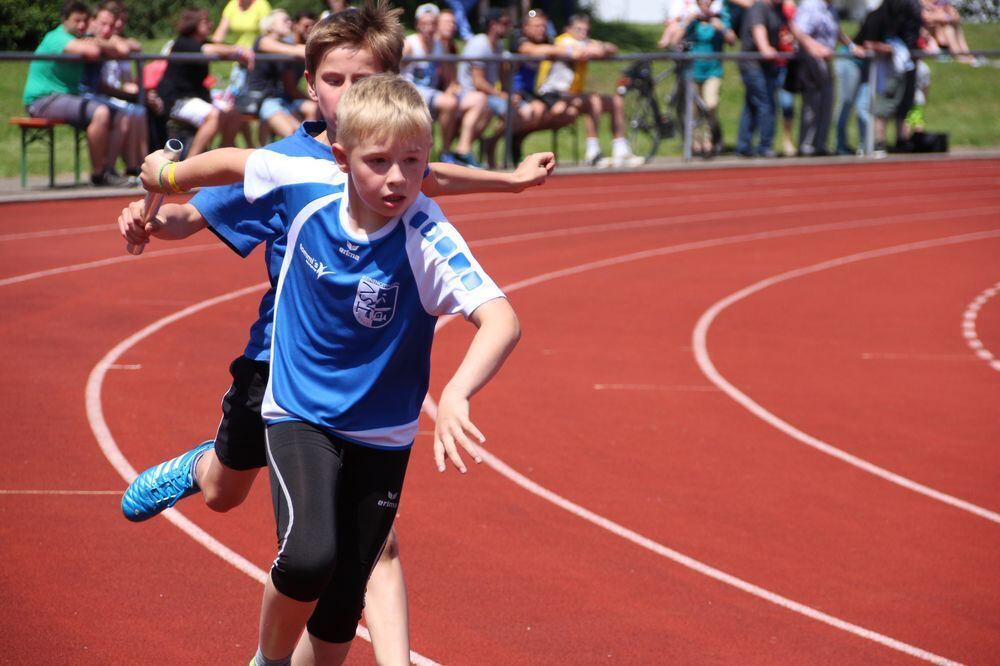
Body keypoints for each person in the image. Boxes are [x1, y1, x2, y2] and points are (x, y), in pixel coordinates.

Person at [118, 4, 553, 662]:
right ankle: (199, 470)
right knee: (226, 492)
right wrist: (162, 192)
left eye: (365, 79)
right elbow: (217, 185)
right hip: (280, 362)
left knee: (360, 557)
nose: (349, 94)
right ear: (312, 84)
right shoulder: (297, 166)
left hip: (371, 396)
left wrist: (508, 183)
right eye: (335, 80)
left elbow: (438, 181)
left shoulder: (405, 184)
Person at [22, 0, 135, 186]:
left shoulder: (82, 37)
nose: (81, 25)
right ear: (64, 20)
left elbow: (122, 48)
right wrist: (97, 42)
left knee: (121, 116)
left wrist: (98, 41)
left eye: (84, 21)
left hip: (67, 97)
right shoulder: (57, 37)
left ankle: (109, 170)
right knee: (100, 112)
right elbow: (91, 51)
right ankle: (98, 175)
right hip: (42, 100)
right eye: (77, 21)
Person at [538, 13, 646, 166]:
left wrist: (600, 47)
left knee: (615, 101)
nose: (583, 33)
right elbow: (586, 51)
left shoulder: (584, 41)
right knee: (593, 100)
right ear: (568, 29)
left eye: (586, 31)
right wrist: (596, 48)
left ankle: (620, 148)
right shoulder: (563, 41)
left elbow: (612, 48)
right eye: (579, 30)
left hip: (574, 94)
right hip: (554, 94)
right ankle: (593, 151)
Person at [155, 8, 254, 157]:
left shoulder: (203, 42)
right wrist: (238, 50)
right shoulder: (183, 43)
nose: (210, 24)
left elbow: (221, 45)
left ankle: (222, 157)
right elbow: (208, 49)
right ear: (193, 23)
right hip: (177, 100)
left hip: (196, 98)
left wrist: (240, 50)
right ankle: (189, 165)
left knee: (234, 113)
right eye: (205, 21)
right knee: (213, 115)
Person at [403, 3, 487, 167]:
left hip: (431, 93)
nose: (428, 28)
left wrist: (451, 90)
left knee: (477, 101)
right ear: (418, 24)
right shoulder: (409, 44)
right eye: (424, 23)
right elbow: (392, 70)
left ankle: (455, 151)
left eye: (432, 23)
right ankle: (443, 154)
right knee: (448, 103)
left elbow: (450, 80)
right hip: (409, 93)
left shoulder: (439, 47)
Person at [457, 9, 536, 167]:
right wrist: (502, 95)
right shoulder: (479, 44)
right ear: (493, 25)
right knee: (509, 109)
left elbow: (503, 78)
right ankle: (464, 152)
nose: (510, 27)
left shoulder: (499, 45)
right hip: (472, 93)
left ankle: (491, 142)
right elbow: (478, 82)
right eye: (506, 23)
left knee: (528, 112)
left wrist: (511, 94)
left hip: (489, 95)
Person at [80, 2, 146, 183]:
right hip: (82, 96)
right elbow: (98, 46)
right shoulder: (83, 38)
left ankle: (129, 168)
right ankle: (104, 171)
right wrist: (111, 42)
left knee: (132, 114)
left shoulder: (105, 40)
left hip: (95, 96)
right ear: (91, 21)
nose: (107, 29)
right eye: (103, 24)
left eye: (111, 25)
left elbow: (130, 46)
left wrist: (111, 41)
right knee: (119, 114)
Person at [791, 0, 864, 156]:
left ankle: (820, 144)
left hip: (826, 59)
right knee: (813, 103)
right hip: (810, 60)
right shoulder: (810, 5)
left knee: (827, 101)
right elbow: (797, 30)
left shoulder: (830, 8)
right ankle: (807, 145)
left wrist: (851, 46)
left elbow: (836, 30)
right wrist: (813, 47)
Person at [509, 8, 580, 163]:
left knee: (567, 111)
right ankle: (507, 140)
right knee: (537, 110)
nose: (541, 30)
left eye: (543, 26)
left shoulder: (545, 40)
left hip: (530, 91)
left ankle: (516, 140)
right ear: (525, 28)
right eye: (537, 26)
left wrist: (569, 50)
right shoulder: (518, 39)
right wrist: (566, 51)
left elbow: (562, 48)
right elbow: (532, 50)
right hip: (512, 90)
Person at [675, 1, 736, 156]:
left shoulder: (720, 18)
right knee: (693, 110)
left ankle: (710, 138)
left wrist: (721, 27)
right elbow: (675, 41)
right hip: (692, 72)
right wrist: (686, 22)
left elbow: (732, 40)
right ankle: (696, 142)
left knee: (711, 104)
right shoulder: (692, 21)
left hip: (712, 71)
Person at [246, 9, 318, 139]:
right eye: (285, 20)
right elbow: (294, 50)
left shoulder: (283, 44)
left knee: (301, 134)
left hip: (277, 98)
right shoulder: (263, 41)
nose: (289, 23)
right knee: (291, 133)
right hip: (262, 99)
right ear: (271, 25)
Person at [735, 0, 785, 157]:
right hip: (752, 64)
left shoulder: (776, 9)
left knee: (752, 104)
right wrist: (765, 47)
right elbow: (758, 29)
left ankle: (743, 145)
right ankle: (765, 145)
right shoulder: (759, 7)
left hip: (766, 66)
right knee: (766, 103)